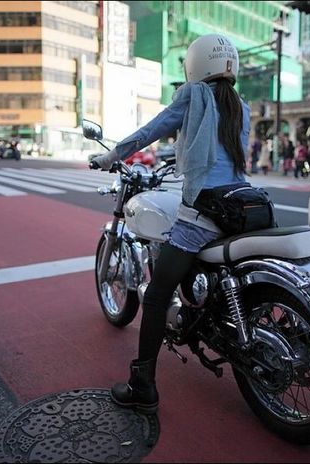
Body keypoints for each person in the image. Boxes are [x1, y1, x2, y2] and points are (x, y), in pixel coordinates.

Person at [91, 33, 251, 414]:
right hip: (241, 208)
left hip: (204, 214)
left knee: (157, 294)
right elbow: (216, 150)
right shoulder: (240, 105)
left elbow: (152, 129)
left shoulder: (192, 96)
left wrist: (111, 154)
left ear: (195, 65)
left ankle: (142, 385)